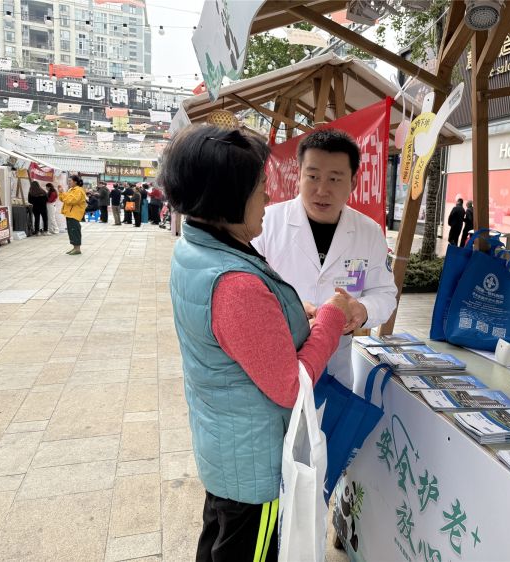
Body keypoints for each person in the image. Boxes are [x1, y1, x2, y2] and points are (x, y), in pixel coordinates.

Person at [162, 124, 352, 562]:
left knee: (220, 540)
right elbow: (289, 385)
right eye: (261, 187)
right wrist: (330, 318)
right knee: (247, 547)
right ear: (229, 197)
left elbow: (236, 336)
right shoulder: (235, 285)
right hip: (254, 466)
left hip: (227, 447)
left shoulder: (197, 247)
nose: (269, 197)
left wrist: (287, 314)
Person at [252, 128, 397, 389]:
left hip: (336, 369)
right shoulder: (265, 223)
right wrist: (289, 312)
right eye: (313, 176)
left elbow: (385, 293)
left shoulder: (369, 232)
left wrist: (362, 310)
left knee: (330, 428)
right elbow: (248, 294)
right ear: (299, 176)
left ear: (353, 182)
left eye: (334, 179)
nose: (322, 190)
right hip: (278, 365)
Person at [58, 175, 87, 255]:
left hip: (74, 214)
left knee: (75, 231)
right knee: (71, 232)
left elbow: (71, 200)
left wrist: (63, 194)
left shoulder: (79, 190)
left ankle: (77, 249)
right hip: (69, 214)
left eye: (70, 181)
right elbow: (63, 199)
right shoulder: (71, 190)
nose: (69, 182)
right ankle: (75, 248)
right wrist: (61, 192)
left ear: (75, 182)